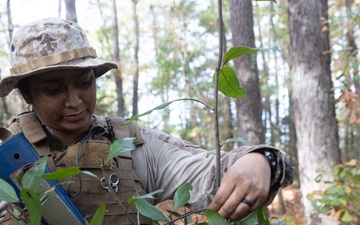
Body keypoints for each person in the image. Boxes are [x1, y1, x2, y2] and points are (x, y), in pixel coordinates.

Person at [0, 17, 293, 225]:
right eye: (53, 89)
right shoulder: (6, 156)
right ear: (26, 93)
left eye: (84, 82)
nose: (75, 100)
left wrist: (261, 161)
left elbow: (209, 172)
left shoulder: (129, 146)